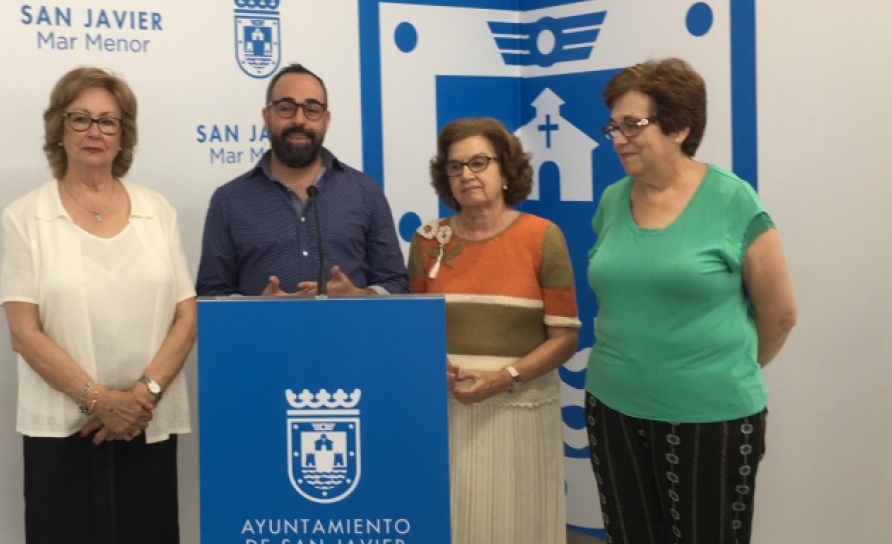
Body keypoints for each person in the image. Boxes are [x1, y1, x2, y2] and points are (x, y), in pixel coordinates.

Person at [585, 58, 798, 544]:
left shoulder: (732, 200)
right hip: (612, 407)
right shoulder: (613, 200)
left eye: (633, 124)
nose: (618, 138)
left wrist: (722, 371)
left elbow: (781, 314)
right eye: (613, 126)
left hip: (711, 418)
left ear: (680, 127)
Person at [0, 67, 197, 544]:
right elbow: (23, 332)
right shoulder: (26, 217)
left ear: (123, 135)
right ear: (59, 128)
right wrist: (102, 402)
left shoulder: (158, 210)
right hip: (63, 434)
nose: (94, 131)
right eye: (81, 118)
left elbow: (186, 317)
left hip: (146, 423)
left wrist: (140, 398)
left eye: (108, 121)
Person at [407, 117, 580, 544]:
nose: (466, 174)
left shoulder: (543, 237)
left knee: (516, 526)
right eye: (455, 166)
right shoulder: (427, 239)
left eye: (479, 162)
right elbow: (414, 333)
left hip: (521, 412)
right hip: (447, 414)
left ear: (506, 169)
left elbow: (564, 339)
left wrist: (505, 378)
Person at [196, 62, 408, 296]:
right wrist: (255, 309)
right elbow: (210, 293)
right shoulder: (228, 200)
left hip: (352, 322)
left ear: (326, 120)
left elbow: (396, 284)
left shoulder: (365, 192)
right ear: (267, 117)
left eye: (312, 110)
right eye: (286, 108)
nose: (299, 120)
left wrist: (359, 296)